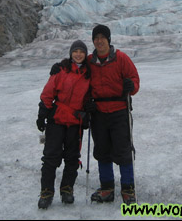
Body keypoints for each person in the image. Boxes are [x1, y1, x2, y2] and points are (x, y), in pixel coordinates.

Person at [50, 24, 140, 205]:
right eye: (96, 38)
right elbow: (74, 67)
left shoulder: (121, 58)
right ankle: (107, 188)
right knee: (102, 150)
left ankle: (128, 188)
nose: (99, 41)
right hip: (98, 112)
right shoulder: (90, 61)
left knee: (123, 150)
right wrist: (59, 66)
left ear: (108, 40)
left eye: (102, 37)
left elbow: (134, 79)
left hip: (119, 110)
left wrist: (131, 86)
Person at [36, 40, 91, 209]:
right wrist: (42, 113)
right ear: (71, 53)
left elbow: (93, 95)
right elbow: (48, 93)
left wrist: (89, 111)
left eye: (82, 51)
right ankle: (46, 192)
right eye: (76, 51)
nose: (78, 54)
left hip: (75, 121)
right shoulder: (61, 70)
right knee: (51, 157)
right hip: (57, 119)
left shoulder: (89, 73)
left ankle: (67, 189)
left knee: (72, 158)